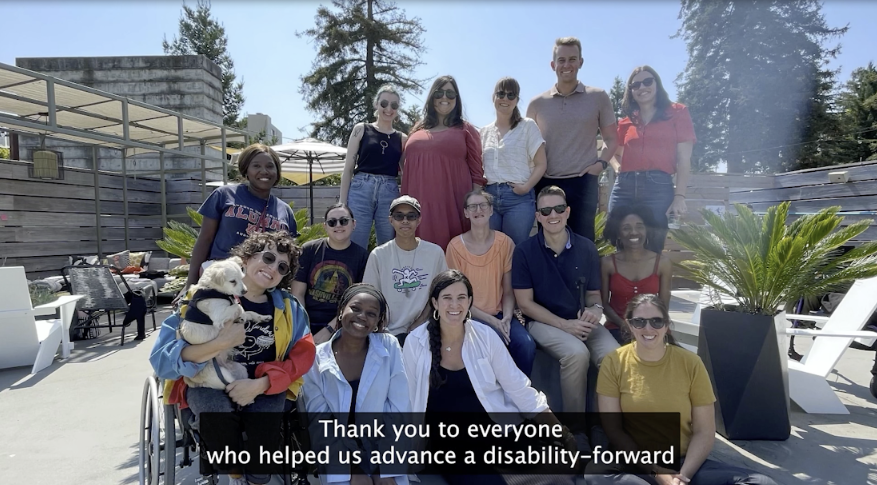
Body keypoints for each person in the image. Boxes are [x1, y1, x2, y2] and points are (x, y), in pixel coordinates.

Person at [149, 231, 316, 485]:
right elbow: (161, 360)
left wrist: (263, 384)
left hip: (263, 385)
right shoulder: (199, 298)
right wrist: (221, 343)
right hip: (205, 381)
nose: (272, 267)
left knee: (264, 431)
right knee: (215, 415)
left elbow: (304, 356)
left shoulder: (290, 308)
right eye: (268, 257)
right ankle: (234, 471)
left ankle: (255, 475)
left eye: (282, 266)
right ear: (245, 259)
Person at [402, 270, 575, 485]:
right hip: (450, 443)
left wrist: (562, 432)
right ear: (435, 303)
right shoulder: (416, 342)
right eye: (447, 298)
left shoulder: (485, 336)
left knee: (560, 477)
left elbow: (518, 387)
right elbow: (406, 400)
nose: (454, 305)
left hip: (494, 430)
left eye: (461, 298)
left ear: (470, 302)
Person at [590, 294, 777, 485]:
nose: (648, 328)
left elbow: (704, 431)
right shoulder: (614, 362)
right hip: (635, 465)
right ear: (629, 325)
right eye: (639, 322)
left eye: (656, 321)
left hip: (683, 462)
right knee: (597, 475)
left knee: (761, 482)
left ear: (666, 325)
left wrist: (683, 477)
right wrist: (656, 471)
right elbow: (613, 430)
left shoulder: (690, 363)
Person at [512, 186, 619, 416]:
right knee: (576, 354)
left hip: (581, 322)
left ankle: (608, 426)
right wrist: (565, 325)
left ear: (568, 211)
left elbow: (593, 296)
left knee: (614, 357)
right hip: (543, 323)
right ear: (538, 216)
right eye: (546, 211)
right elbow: (525, 304)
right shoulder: (524, 251)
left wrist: (594, 311)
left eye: (559, 208)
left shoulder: (587, 248)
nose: (553, 215)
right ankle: (576, 429)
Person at [301, 284, 410, 485]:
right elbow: (319, 422)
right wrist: (352, 468)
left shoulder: (389, 345)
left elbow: (399, 410)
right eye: (356, 308)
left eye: (371, 313)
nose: (362, 316)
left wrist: (383, 469)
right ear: (341, 311)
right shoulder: (316, 358)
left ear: (378, 322)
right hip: (337, 451)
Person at [178, 143, 298, 302]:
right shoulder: (224, 195)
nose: (264, 171)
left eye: (270, 166)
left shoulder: (285, 211)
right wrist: (191, 284)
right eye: (256, 166)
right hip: (222, 283)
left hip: (261, 289)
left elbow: (289, 257)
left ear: (277, 173)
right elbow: (204, 239)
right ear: (246, 170)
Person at [526, 37, 618, 242]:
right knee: (548, 244)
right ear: (553, 65)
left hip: (583, 183)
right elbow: (527, 146)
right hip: (545, 182)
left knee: (583, 242)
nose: (566, 65)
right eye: (561, 60)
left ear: (581, 62)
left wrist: (600, 165)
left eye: (572, 59)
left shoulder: (598, 97)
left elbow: (612, 139)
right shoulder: (536, 104)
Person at [445, 189, 536, 376]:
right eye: (472, 206)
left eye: (483, 205)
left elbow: (509, 291)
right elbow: (460, 298)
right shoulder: (455, 247)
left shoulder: (505, 243)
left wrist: (507, 319)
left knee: (526, 345)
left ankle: (520, 396)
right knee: (493, 344)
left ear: (491, 210)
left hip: (502, 314)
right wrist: (493, 323)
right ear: (466, 213)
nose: (478, 210)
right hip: (469, 316)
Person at [608, 66, 696, 253]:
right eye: (636, 84)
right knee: (618, 243)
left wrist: (680, 197)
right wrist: (617, 167)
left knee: (653, 245)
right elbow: (612, 151)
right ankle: (621, 283)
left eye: (648, 81)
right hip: (624, 186)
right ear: (631, 91)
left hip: (658, 188)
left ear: (657, 83)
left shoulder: (678, 113)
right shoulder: (625, 122)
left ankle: (650, 282)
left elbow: (684, 159)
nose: (642, 87)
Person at [402, 75, 487, 251]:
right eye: (439, 93)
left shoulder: (465, 129)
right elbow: (404, 166)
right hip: (417, 206)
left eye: (450, 93)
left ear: (457, 98)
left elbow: (477, 175)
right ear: (432, 96)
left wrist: (474, 210)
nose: (444, 98)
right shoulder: (417, 129)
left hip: (451, 206)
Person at [363, 195, 447, 342]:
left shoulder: (435, 253)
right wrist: (382, 327)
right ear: (391, 220)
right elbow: (370, 296)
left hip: (425, 330)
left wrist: (420, 322)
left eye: (411, 216)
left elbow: (440, 293)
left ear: (419, 220)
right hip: (386, 332)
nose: (405, 221)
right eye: (399, 216)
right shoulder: (378, 254)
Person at [479, 76, 547, 245]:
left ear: (517, 100)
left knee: (515, 250)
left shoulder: (527, 126)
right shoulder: (484, 132)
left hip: (518, 199)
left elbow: (541, 164)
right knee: (491, 248)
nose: (505, 99)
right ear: (493, 97)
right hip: (490, 198)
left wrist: (526, 187)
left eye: (511, 95)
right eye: (501, 94)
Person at [340, 85, 407, 249]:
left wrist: (405, 202)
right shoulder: (361, 129)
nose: (388, 109)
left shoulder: (402, 138)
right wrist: (342, 202)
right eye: (384, 103)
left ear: (398, 109)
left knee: (388, 245)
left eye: (394, 105)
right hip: (361, 188)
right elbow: (348, 168)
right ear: (376, 104)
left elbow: (406, 174)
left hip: (389, 192)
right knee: (355, 243)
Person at [293, 202, 369, 344]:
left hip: (343, 324)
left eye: (344, 221)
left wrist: (329, 329)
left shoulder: (363, 257)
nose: (338, 225)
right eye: (332, 222)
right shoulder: (309, 250)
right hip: (305, 322)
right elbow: (297, 294)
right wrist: (304, 328)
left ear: (354, 224)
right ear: (325, 226)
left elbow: (356, 302)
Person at [600, 205, 672, 344]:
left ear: (647, 230)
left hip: (653, 328)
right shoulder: (607, 263)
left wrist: (649, 328)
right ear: (618, 233)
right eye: (626, 228)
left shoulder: (663, 263)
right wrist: (625, 325)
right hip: (617, 328)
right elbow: (603, 304)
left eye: (640, 226)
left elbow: (663, 305)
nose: (634, 232)